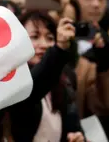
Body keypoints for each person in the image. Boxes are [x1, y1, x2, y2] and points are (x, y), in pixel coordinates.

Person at [5, 11, 84, 142]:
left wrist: (76, 136)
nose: (44, 44)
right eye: (35, 37)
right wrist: (59, 49)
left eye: (50, 38)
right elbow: (34, 86)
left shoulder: (65, 80)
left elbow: (73, 125)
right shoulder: (11, 80)